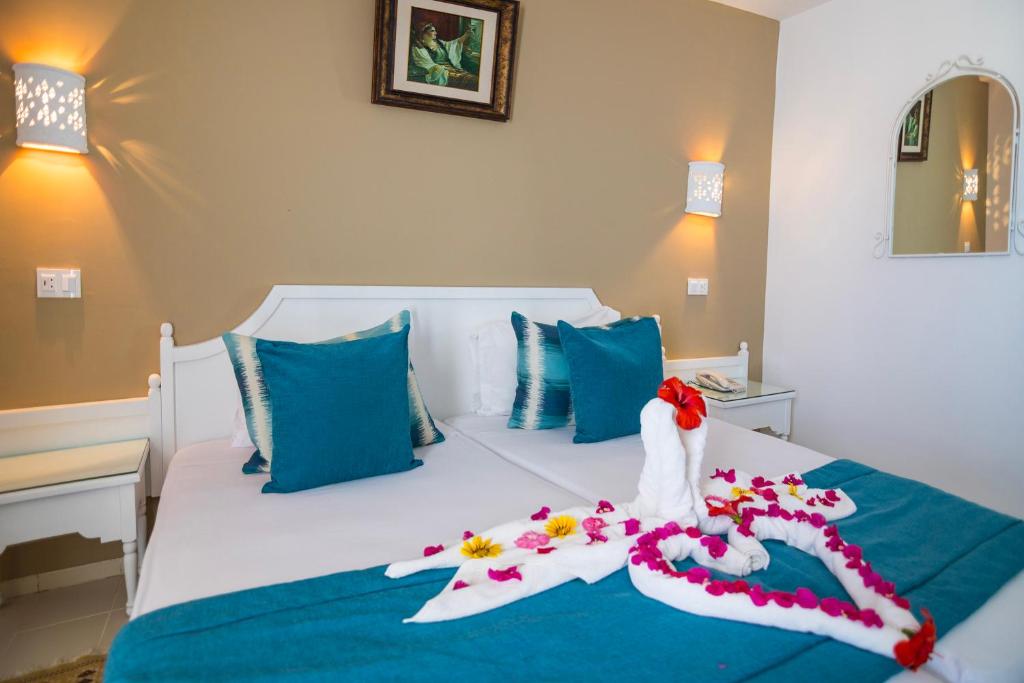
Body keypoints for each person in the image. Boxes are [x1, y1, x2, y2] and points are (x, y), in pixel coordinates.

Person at [408, 21, 480, 91]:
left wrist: (466, 34)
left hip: (453, 69)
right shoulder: (418, 47)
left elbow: (453, 44)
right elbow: (426, 63)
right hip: (441, 73)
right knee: (471, 81)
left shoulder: (439, 42)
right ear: (424, 33)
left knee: (474, 80)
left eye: (435, 31)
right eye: (432, 31)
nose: (436, 33)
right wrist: (443, 69)